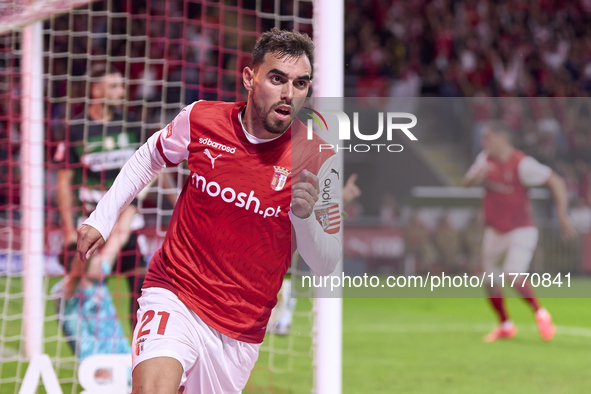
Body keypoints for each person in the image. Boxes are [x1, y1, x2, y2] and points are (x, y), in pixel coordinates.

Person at [76, 28, 342, 394]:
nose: (288, 93)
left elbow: (326, 261)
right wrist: (101, 218)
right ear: (250, 78)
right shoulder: (202, 119)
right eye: (277, 79)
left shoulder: (319, 158)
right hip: (175, 291)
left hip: (239, 328)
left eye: (300, 84)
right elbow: (150, 155)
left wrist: (304, 218)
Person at [463, 121, 577, 343]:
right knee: (489, 279)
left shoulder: (522, 164)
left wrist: (562, 216)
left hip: (521, 229)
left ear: (501, 138)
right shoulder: (484, 160)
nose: (483, 142)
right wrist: (475, 177)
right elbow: (466, 182)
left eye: (487, 137)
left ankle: (541, 314)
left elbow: (557, 182)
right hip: (495, 230)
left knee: (512, 274)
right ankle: (506, 325)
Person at [53, 64, 147, 329]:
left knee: (143, 292)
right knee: (88, 288)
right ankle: (89, 349)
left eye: (122, 85)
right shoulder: (77, 129)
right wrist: (70, 230)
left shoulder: (131, 125)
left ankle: (138, 353)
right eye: (114, 86)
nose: (121, 91)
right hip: (94, 224)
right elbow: (64, 181)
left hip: (129, 224)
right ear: (96, 89)